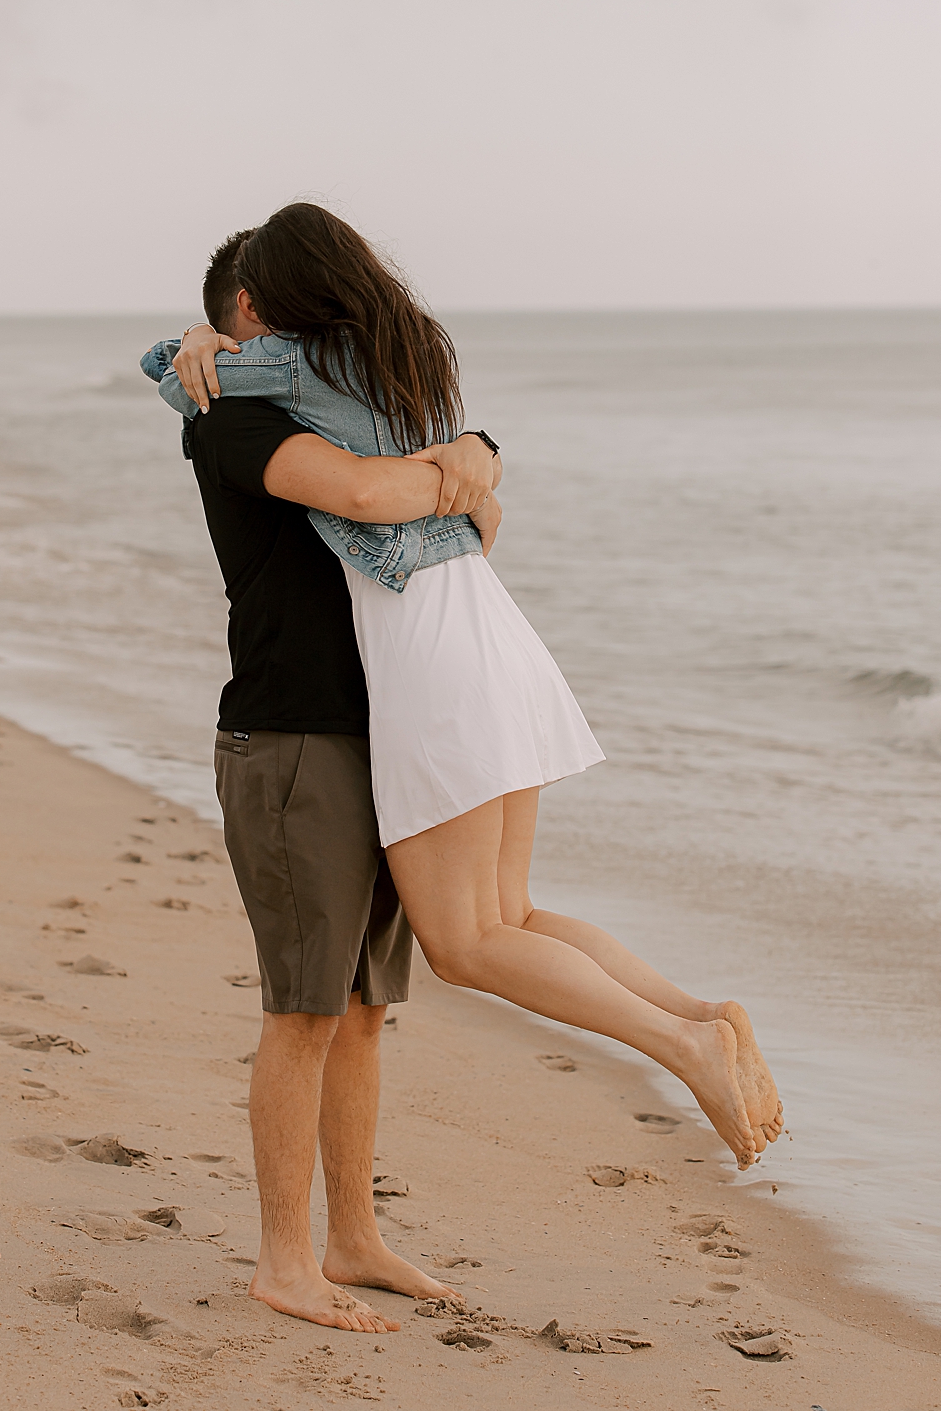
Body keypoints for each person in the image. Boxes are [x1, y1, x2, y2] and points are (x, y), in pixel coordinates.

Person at [148, 206, 783, 1194]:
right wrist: (467, 457)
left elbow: (356, 493)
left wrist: (186, 351)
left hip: (433, 665)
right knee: (510, 915)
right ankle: (702, 1017)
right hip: (495, 640)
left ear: (252, 309)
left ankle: (682, 1047)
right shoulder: (404, 370)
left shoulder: (277, 372)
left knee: (468, 943)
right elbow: (481, 518)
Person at [129, 229, 507, 1333]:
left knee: (361, 1008)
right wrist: (469, 453)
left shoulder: (352, 408)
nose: (320, 336)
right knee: (301, 1010)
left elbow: (475, 526)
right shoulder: (230, 416)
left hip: (382, 730)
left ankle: (352, 1237)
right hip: (290, 741)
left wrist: (471, 454)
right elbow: (377, 497)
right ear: (249, 313)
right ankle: (281, 1262)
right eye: (296, 318)